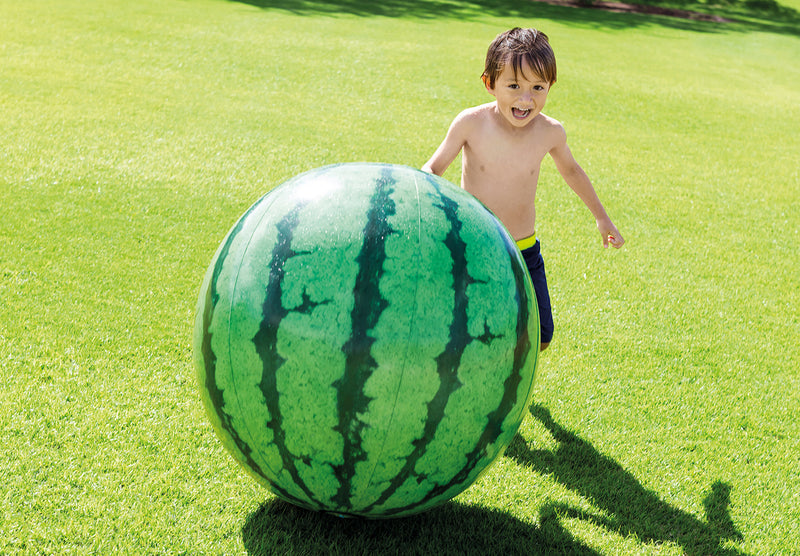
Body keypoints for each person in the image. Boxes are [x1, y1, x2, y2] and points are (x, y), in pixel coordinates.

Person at [422, 27, 624, 352]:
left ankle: (505, 371)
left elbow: (571, 170)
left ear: (550, 87)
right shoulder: (470, 124)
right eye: (514, 86)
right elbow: (433, 168)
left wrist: (602, 218)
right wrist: (418, 196)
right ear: (490, 83)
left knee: (541, 336)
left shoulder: (550, 132)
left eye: (537, 87)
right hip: (474, 242)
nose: (525, 99)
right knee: (463, 326)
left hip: (523, 248)